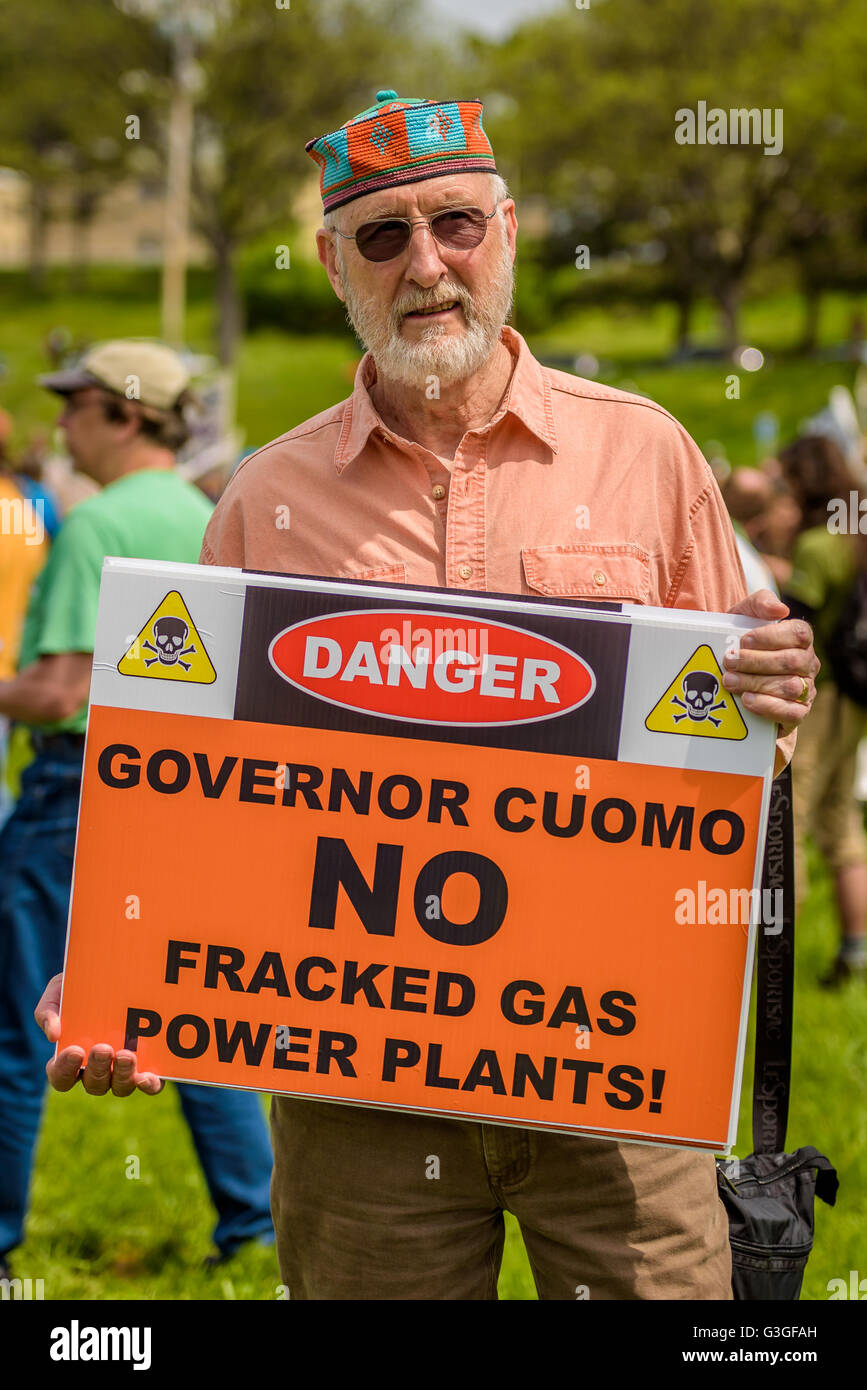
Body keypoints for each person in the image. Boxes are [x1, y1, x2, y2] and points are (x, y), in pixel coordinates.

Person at [38, 93, 818, 1300]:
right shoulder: (263, 497)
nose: (427, 263)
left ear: (506, 230)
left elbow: (738, 761)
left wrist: (774, 691)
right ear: (335, 264)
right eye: (383, 237)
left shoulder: (649, 453)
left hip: (616, 1085)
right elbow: (190, 786)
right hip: (360, 1106)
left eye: (453, 221)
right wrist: (118, 966)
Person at [0, 341, 274, 1280]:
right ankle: (254, 1225)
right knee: (195, 1016)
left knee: (13, 1015)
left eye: (76, 406)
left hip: (74, 787)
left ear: (123, 416)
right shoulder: (208, 513)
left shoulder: (98, 524)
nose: (62, 425)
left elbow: (57, 689)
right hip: (186, 793)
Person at [779, 434, 867, 986]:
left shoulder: (815, 547)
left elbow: (798, 624)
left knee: (789, 815)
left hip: (821, 696)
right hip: (856, 698)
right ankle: (854, 951)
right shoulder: (855, 533)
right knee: (840, 818)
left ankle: (770, 963)